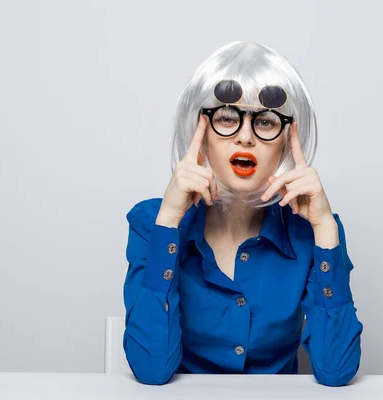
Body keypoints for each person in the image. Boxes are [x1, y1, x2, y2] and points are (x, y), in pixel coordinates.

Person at [123, 41, 363, 386]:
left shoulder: (311, 230)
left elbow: (336, 371)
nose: (246, 137)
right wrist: (170, 223)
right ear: (200, 133)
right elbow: (151, 370)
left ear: (286, 139)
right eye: (226, 118)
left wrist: (324, 227)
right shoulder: (152, 223)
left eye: (265, 121)